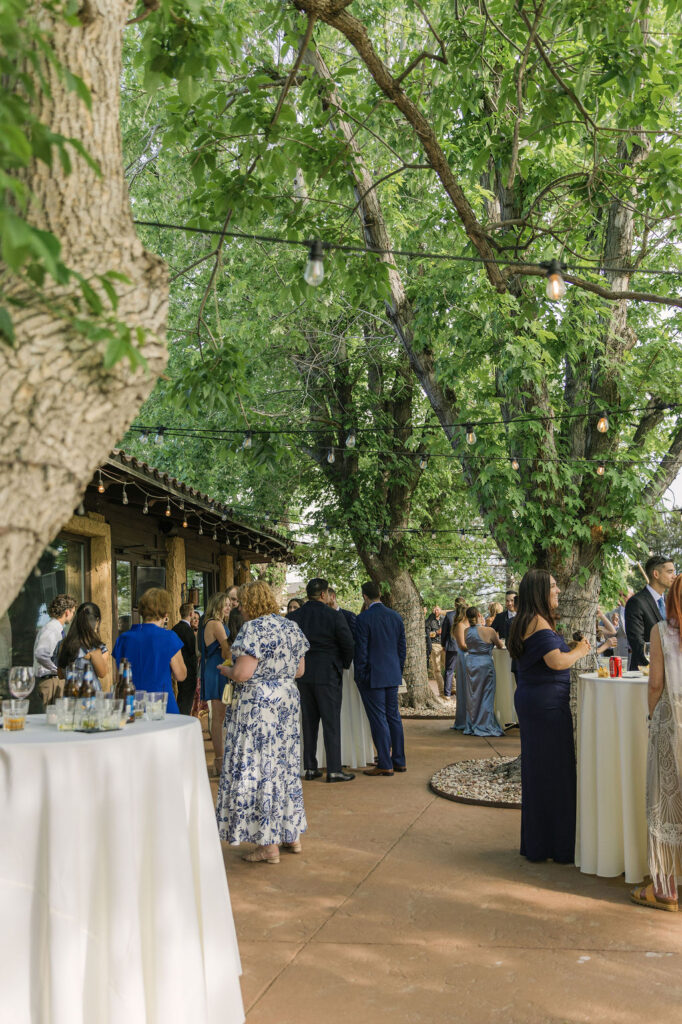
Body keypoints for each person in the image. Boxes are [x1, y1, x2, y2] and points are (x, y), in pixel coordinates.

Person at [216, 581, 309, 864]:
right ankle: (291, 834)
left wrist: (226, 670)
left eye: (242, 602)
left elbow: (244, 673)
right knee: (283, 766)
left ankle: (268, 845)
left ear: (251, 603)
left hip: (259, 708)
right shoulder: (291, 626)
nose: (240, 607)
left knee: (259, 768)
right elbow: (300, 670)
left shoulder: (254, 629)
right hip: (286, 704)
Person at [509, 569, 591, 863]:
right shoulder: (538, 622)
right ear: (539, 591)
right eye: (553, 586)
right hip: (545, 706)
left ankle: (540, 843)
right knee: (555, 772)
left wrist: (569, 647)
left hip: (536, 701)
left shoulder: (527, 620)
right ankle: (557, 846)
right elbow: (556, 662)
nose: (558, 591)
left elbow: (542, 658)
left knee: (542, 770)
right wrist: (580, 650)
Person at [631, 573, 682, 911]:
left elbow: (655, 685)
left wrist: (652, 718)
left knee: (664, 799)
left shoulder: (662, 632)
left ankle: (665, 889)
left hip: (671, 722)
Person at [288, 577, 355, 782]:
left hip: (303, 674)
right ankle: (334, 769)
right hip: (328, 673)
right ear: (324, 594)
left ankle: (310, 767)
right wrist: (342, 664)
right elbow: (348, 643)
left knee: (308, 721)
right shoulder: (333, 615)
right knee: (331, 721)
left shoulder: (295, 616)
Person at [354, 581, 406, 776]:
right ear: (380, 595)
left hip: (372, 675)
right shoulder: (395, 617)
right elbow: (402, 648)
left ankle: (385, 762)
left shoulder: (363, 618)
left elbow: (362, 651)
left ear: (365, 596)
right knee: (393, 716)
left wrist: (360, 675)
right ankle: (399, 760)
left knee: (378, 718)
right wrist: (397, 670)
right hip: (392, 673)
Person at [113, 588, 186, 714]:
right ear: (165, 614)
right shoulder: (169, 637)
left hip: (131, 705)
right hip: (161, 705)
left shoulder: (123, 638)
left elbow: (118, 678)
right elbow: (181, 675)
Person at [626, 555, 676, 671]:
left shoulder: (671, 602)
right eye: (670, 572)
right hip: (645, 675)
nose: (674, 576)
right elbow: (638, 644)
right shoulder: (636, 602)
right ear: (656, 574)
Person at [200, 591, 231, 774]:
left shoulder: (212, 623)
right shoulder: (215, 623)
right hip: (218, 669)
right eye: (225, 604)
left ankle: (221, 758)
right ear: (217, 605)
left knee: (219, 716)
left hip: (215, 667)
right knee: (219, 717)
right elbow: (227, 650)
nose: (228, 607)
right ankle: (219, 760)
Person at [462, 606, 505, 737]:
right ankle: (485, 724)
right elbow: (500, 645)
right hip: (485, 664)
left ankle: (473, 723)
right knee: (486, 694)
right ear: (479, 615)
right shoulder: (490, 631)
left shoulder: (466, 631)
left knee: (473, 695)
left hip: (471, 664)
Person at [32, 593, 76, 708]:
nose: (73, 615)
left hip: (54, 680)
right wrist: (56, 670)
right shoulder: (51, 629)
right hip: (50, 681)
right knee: (51, 720)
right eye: (73, 612)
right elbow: (41, 654)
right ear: (67, 612)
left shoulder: (56, 628)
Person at [57, 602, 109, 688]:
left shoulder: (63, 644)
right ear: (97, 621)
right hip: (90, 696)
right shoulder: (98, 648)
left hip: (71, 695)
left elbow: (60, 675)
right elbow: (102, 673)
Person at [172, 601, 198, 715]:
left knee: (181, 695)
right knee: (187, 700)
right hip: (189, 669)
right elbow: (193, 650)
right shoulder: (188, 630)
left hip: (177, 666)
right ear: (191, 614)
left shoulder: (175, 628)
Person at [447, 602, 469, 730]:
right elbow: (462, 645)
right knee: (464, 687)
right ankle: (463, 720)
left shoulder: (467, 624)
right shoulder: (460, 625)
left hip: (469, 657)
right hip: (464, 658)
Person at [441, 600, 463, 701]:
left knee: (449, 670)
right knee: (461, 670)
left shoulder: (449, 615)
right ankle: (461, 692)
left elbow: (444, 631)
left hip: (451, 645)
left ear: (455, 604)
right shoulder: (465, 614)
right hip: (463, 646)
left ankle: (447, 694)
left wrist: (443, 644)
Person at [425, 604, 445, 692]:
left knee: (448, 667)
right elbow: (428, 634)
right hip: (434, 645)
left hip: (444, 645)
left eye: (438, 610)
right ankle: (441, 690)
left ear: (440, 611)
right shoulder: (430, 621)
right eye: (435, 610)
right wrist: (436, 632)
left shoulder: (444, 620)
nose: (436, 611)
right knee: (437, 669)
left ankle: (453, 688)